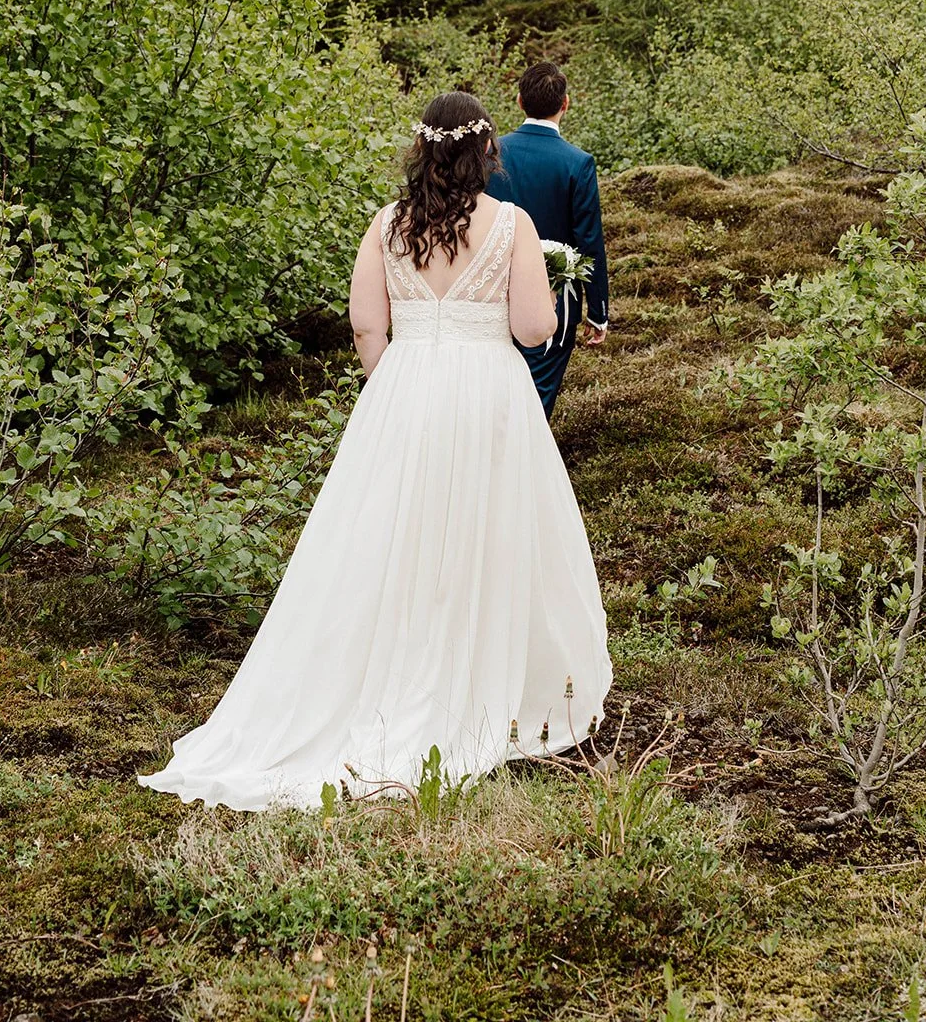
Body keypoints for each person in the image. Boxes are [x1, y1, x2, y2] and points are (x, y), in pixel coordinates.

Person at [138, 91, 611, 810]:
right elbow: (530, 328)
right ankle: (489, 680)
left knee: (388, 538)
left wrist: (392, 390)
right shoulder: (511, 225)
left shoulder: (386, 225)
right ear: (487, 151)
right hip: (489, 393)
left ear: (421, 150)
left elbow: (366, 326)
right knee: (494, 534)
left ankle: (379, 672)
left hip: (404, 388)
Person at [488, 62, 609, 419]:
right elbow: (589, 240)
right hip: (556, 299)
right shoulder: (577, 163)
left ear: (519, 101)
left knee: (495, 387)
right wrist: (598, 312)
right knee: (537, 395)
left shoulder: (491, 154)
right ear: (566, 104)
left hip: (492, 290)